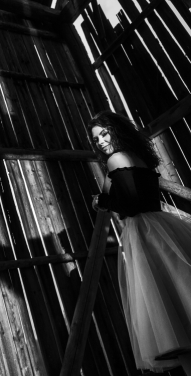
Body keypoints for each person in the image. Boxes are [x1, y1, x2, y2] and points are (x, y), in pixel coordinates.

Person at [88, 111, 191, 374]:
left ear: (116, 130)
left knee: (170, 315)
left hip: (145, 233)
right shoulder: (140, 158)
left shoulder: (115, 159)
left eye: (104, 133)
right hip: (162, 226)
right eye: (96, 139)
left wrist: (102, 201)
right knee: (182, 303)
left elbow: (131, 205)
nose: (101, 141)